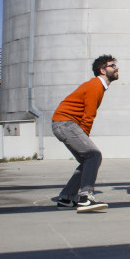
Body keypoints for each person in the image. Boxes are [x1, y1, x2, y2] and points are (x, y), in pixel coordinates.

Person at [52, 54, 119, 213]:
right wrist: (84, 138)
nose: (116, 68)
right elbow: (88, 115)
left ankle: (66, 198)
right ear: (102, 70)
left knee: (87, 161)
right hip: (66, 123)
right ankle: (85, 197)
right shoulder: (96, 85)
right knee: (93, 155)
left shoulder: (98, 86)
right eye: (112, 65)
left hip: (63, 124)